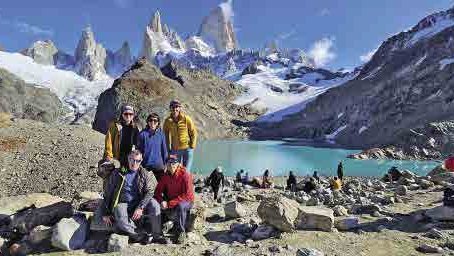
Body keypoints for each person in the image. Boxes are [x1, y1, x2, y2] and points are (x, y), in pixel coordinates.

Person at [100, 150, 165, 244]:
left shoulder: (144, 173)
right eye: (132, 160)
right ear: (128, 159)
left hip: (139, 202)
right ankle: (139, 235)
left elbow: (150, 192)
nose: (134, 163)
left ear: (141, 161)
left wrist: (140, 207)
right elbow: (108, 192)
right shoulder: (119, 172)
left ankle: (157, 235)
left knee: (155, 205)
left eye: (137, 161)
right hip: (124, 202)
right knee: (118, 211)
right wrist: (105, 212)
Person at [154, 155, 194, 244]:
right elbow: (157, 191)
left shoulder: (185, 174)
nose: (171, 165)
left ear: (178, 164)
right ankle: (161, 227)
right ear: (166, 165)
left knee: (180, 206)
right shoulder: (165, 175)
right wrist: (161, 201)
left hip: (187, 200)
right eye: (169, 163)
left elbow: (187, 195)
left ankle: (181, 232)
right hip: (171, 199)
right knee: (155, 202)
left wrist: (169, 204)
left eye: (174, 163)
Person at [163, 100, 197, 172]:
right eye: (172, 107)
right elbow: (166, 135)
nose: (175, 109)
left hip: (187, 149)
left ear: (180, 108)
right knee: (175, 171)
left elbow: (193, 132)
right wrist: (168, 149)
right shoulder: (167, 121)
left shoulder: (186, 119)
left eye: (177, 107)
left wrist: (192, 146)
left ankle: (186, 183)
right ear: (170, 109)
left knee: (186, 172)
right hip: (175, 150)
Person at [137, 113, 168, 181]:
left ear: (158, 123)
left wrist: (166, 164)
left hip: (159, 166)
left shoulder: (161, 134)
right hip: (146, 166)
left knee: (161, 187)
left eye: (155, 121)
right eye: (150, 120)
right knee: (147, 187)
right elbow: (139, 151)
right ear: (147, 122)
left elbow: (164, 150)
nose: (152, 122)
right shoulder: (142, 134)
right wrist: (139, 164)